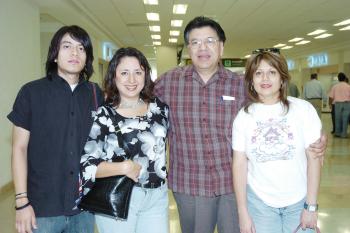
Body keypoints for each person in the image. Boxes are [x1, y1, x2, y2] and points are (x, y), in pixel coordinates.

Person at [154, 16, 327, 233]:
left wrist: (317, 138)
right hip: (190, 183)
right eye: (195, 42)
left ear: (221, 47)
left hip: (234, 185)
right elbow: (141, 108)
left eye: (210, 41)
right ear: (188, 48)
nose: (203, 48)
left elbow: (273, 110)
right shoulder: (168, 82)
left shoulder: (240, 85)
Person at [7, 25, 104, 233]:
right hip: (42, 208)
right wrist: (22, 201)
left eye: (81, 48)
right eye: (67, 46)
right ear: (54, 55)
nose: (74, 53)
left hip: (84, 207)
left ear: (87, 57)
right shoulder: (31, 93)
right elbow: (19, 149)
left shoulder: (95, 94)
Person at [80, 47, 169, 233]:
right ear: (114, 76)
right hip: (119, 195)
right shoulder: (103, 115)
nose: (132, 80)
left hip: (157, 196)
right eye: (124, 73)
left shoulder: (159, 109)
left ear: (146, 75)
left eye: (138, 72)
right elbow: (86, 164)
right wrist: (122, 167)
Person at [232, 51, 322, 233]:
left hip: (299, 201)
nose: (265, 78)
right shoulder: (244, 117)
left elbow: (315, 159)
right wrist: (242, 212)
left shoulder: (303, 110)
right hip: (260, 204)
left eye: (272, 72)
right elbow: (239, 165)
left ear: (282, 79)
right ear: (251, 80)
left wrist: (311, 206)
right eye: (258, 73)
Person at [328, 72, 350, 138]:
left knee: (337, 119)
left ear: (338, 79)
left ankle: (337, 133)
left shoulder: (335, 86)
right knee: (345, 119)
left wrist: (330, 104)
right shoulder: (348, 86)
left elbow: (331, 97)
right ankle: (344, 134)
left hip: (337, 104)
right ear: (345, 78)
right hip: (347, 104)